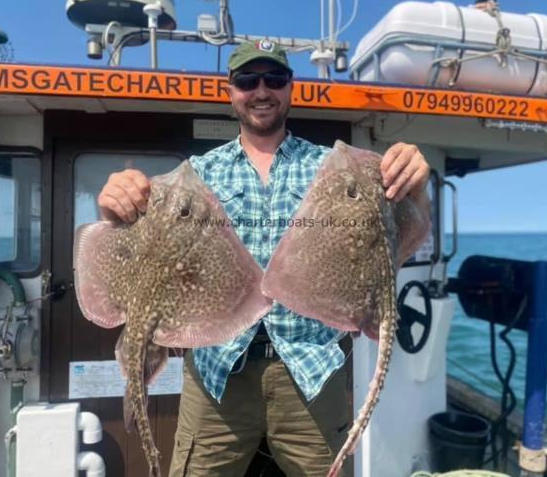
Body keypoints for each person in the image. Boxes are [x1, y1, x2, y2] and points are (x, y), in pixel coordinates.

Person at [97, 39, 431, 477]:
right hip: (217, 369)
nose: (261, 90)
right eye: (247, 80)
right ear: (230, 90)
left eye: (274, 79)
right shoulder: (197, 174)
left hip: (311, 367)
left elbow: (397, 224)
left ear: (291, 88)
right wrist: (115, 206)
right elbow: (138, 226)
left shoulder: (330, 168)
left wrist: (416, 184)